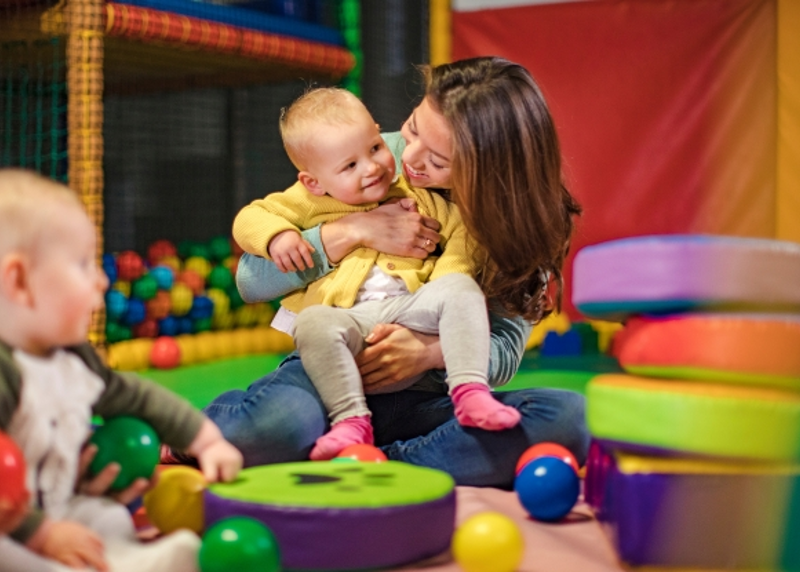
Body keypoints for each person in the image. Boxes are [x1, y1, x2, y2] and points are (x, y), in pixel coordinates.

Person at [205, 56, 588, 489]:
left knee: (567, 419)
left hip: (430, 397)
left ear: (486, 174)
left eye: (439, 160)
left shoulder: (514, 225)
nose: (409, 158)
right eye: (412, 127)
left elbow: (502, 352)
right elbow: (252, 280)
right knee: (267, 430)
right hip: (333, 373)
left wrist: (427, 350)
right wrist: (352, 230)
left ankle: (380, 462)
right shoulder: (371, 157)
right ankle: (318, 438)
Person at [232, 87, 520, 460]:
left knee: (462, 289)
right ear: (314, 182)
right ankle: (351, 422)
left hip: (411, 320)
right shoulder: (310, 201)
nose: (372, 167)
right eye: (350, 166)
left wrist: (432, 331)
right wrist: (279, 238)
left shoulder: (419, 196)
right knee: (314, 324)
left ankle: (469, 394)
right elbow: (251, 219)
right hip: (349, 324)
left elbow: (465, 242)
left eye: (374, 149)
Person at [0, 169, 243, 572]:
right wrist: (39, 534)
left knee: (106, 516)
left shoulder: (73, 358)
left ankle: (128, 559)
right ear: (20, 282)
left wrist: (205, 440)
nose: (100, 281)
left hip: (55, 505)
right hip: (12, 524)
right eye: (82, 265)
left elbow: (135, 395)